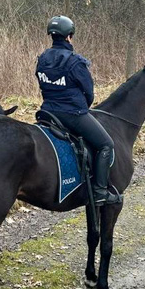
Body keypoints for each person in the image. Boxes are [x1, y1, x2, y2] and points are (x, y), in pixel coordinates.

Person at [36, 15, 120, 205]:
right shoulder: (75, 62)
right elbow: (89, 93)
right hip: (72, 114)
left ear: (52, 36)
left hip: (47, 112)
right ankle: (100, 191)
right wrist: (83, 108)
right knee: (106, 144)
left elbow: (42, 84)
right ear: (69, 37)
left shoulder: (42, 58)